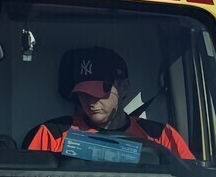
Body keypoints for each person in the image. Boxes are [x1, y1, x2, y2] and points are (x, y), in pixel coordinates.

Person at [25, 46, 194, 159]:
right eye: (83, 93)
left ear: (125, 87)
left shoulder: (162, 136)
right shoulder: (51, 135)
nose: (90, 101)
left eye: (99, 92)